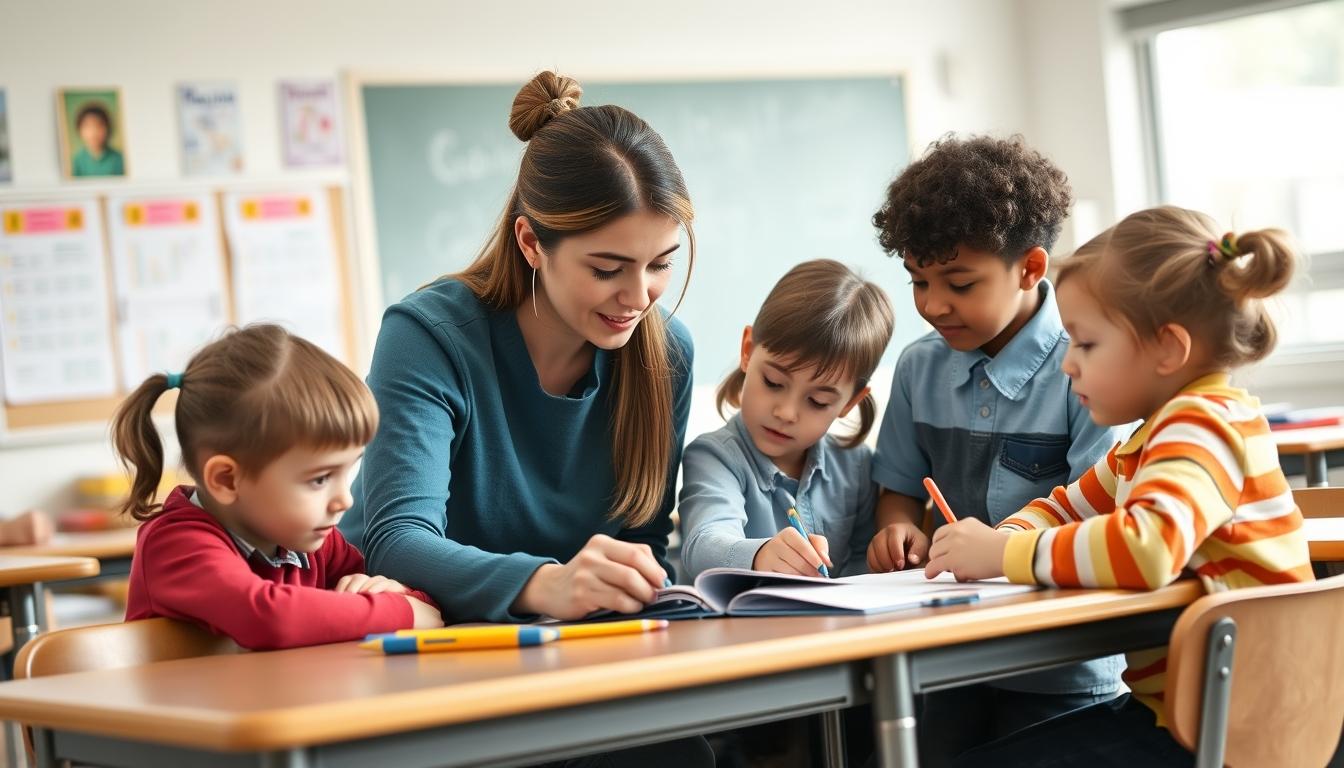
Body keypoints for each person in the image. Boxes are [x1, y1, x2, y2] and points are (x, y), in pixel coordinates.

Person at [338, 71, 711, 767]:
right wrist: (551, 583)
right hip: (419, 664)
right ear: (531, 243)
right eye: (607, 268)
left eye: (660, 264)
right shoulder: (428, 335)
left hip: (566, 664)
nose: (638, 296)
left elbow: (641, 540)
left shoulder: (667, 355)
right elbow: (396, 539)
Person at [925, 206, 1313, 767]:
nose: (1068, 366)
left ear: (1167, 349)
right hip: (1189, 714)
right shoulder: (1152, 438)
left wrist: (1004, 554)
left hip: (1229, 729)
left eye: (1085, 344)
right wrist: (1000, 535)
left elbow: (1146, 548)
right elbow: (1064, 506)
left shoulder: (1202, 426)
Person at [868, 135, 1127, 763]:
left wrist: (1004, 550)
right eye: (918, 281)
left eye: (958, 283)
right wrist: (897, 529)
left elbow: (1107, 514)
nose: (932, 305)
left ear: (1031, 269)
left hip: (1063, 664)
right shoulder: (917, 368)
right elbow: (899, 490)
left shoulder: (1087, 364)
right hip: (951, 657)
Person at [115, 324, 441, 650]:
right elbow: (270, 617)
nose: (344, 500)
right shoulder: (176, 545)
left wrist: (391, 593)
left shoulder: (313, 542)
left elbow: (422, 608)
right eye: (320, 479)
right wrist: (397, 610)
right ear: (227, 480)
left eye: (348, 470)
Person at [679, 259, 893, 578]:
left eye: (818, 401)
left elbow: (863, 564)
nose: (786, 413)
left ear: (850, 402)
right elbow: (701, 545)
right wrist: (761, 555)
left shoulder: (857, 465)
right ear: (748, 350)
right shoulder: (714, 456)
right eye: (774, 383)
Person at [70, 103, 125, 177]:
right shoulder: (76, 161)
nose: (93, 132)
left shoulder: (119, 159)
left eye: (99, 125)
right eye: (87, 126)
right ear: (79, 130)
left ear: (108, 128)